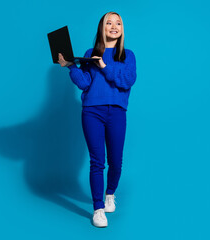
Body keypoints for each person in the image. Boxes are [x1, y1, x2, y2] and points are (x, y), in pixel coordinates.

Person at [57, 11, 136, 228]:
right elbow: (84, 83)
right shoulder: (90, 53)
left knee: (116, 162)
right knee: (97, 161)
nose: (114, 26)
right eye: (109, 23)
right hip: (92, 111)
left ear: (121, 29)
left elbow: (127, 81)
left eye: (118, 23)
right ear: (102, 28)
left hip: (117, 112)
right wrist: (71, 66)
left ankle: (110, 193)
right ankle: (98, 209)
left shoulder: (128, 55)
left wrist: (104, 67)